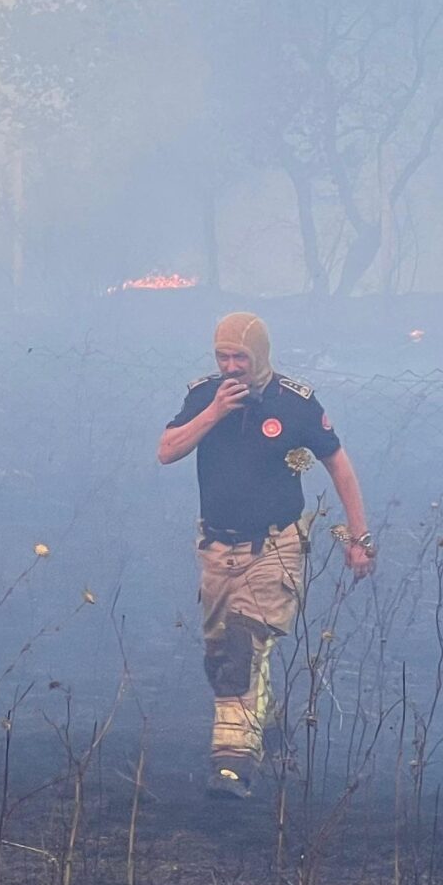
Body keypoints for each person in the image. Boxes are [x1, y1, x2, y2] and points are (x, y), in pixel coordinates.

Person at [158, 311, 373, 800]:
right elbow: (166, 451)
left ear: (261, 356)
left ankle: (232, 765)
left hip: (276, 546)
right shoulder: (201, 396)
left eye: (241, 357)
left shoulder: (293, 403)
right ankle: (266, 729)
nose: (232, 366)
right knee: (222, 655)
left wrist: (358, 538)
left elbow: (338, 463)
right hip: (215, 546)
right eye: (223, 357)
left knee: (243, 644)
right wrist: (213, 412)